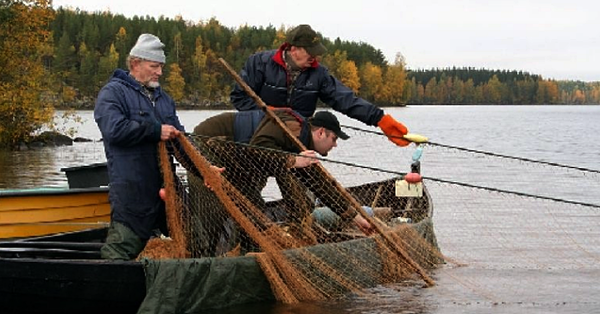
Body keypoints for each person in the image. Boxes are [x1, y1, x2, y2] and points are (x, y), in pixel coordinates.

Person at [190, 110, 372, 255]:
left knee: (255, 214)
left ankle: (247, 257)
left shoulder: (302, 146)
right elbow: (258, 146)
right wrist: (292, 161)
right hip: (208, 145)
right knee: (210, 214)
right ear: (321, 132)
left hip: (235, 162)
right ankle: (201, 260)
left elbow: (321, 185)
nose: (335, 145)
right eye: (334, 139)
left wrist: (354, 217)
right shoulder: (292, 127)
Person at [230, 24, 411, 147]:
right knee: (249, 185)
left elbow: (345, 99)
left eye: (316, 53)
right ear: (293, 49)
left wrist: (380, 119)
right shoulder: (260, 63)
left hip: (299, 141)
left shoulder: (319, 74)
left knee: (308, 189)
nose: (314, 58)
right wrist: (267, 112)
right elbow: (239, 97)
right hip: (259, 137)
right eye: (310, 52)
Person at [94, 33, 184, 260]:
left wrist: (204, 169)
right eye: (154, 66)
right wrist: (155, 131)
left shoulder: (165, 100)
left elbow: (180, 142)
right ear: (136, 63)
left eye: (161, 66)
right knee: (121, 248)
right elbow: (114, 130)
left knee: (191, 241)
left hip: (167, 193)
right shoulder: (112, 93)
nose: (160, 72)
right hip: (131, 191)